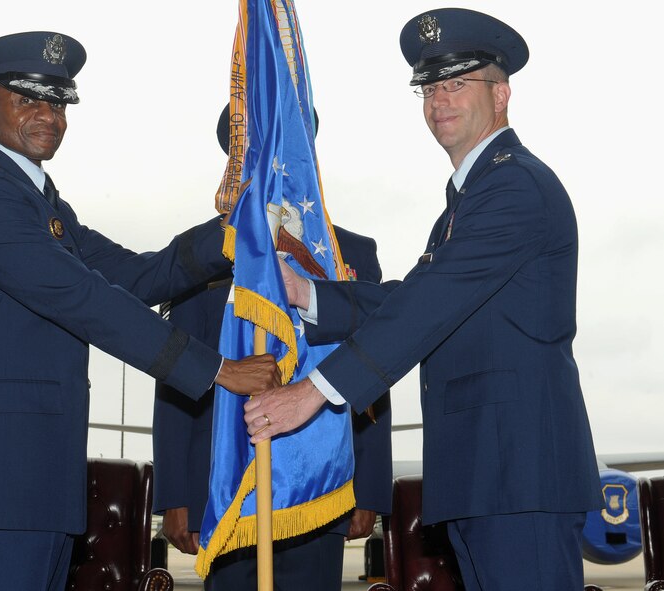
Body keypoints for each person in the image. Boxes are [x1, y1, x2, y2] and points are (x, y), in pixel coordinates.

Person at [244, 8, 602, 590]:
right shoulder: (469, 199)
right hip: (485, 473)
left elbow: (429, 303)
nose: (440, 102)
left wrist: (314, 393)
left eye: (458, 84)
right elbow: (412, 298)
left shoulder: (514, 187)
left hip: (519, 472)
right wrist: (305, 291)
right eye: (430, 89)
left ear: (502, 93)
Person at [0, 31, 278, 591]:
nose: (48, 115)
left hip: (37, 471)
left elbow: (137, 274)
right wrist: (218, 370)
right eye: (27, 99)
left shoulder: (42, 204)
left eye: (57, 102)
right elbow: (85, 299)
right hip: (2, 472)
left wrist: (233, 231)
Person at [152, 106, 393, 590]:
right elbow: (176, 379)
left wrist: (369, 486)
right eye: (255, 154)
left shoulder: (350, 255)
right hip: (225, 485)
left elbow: (373, 372)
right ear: (234, 162)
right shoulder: (201, 255)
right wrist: (176, 493)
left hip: (322, 482)